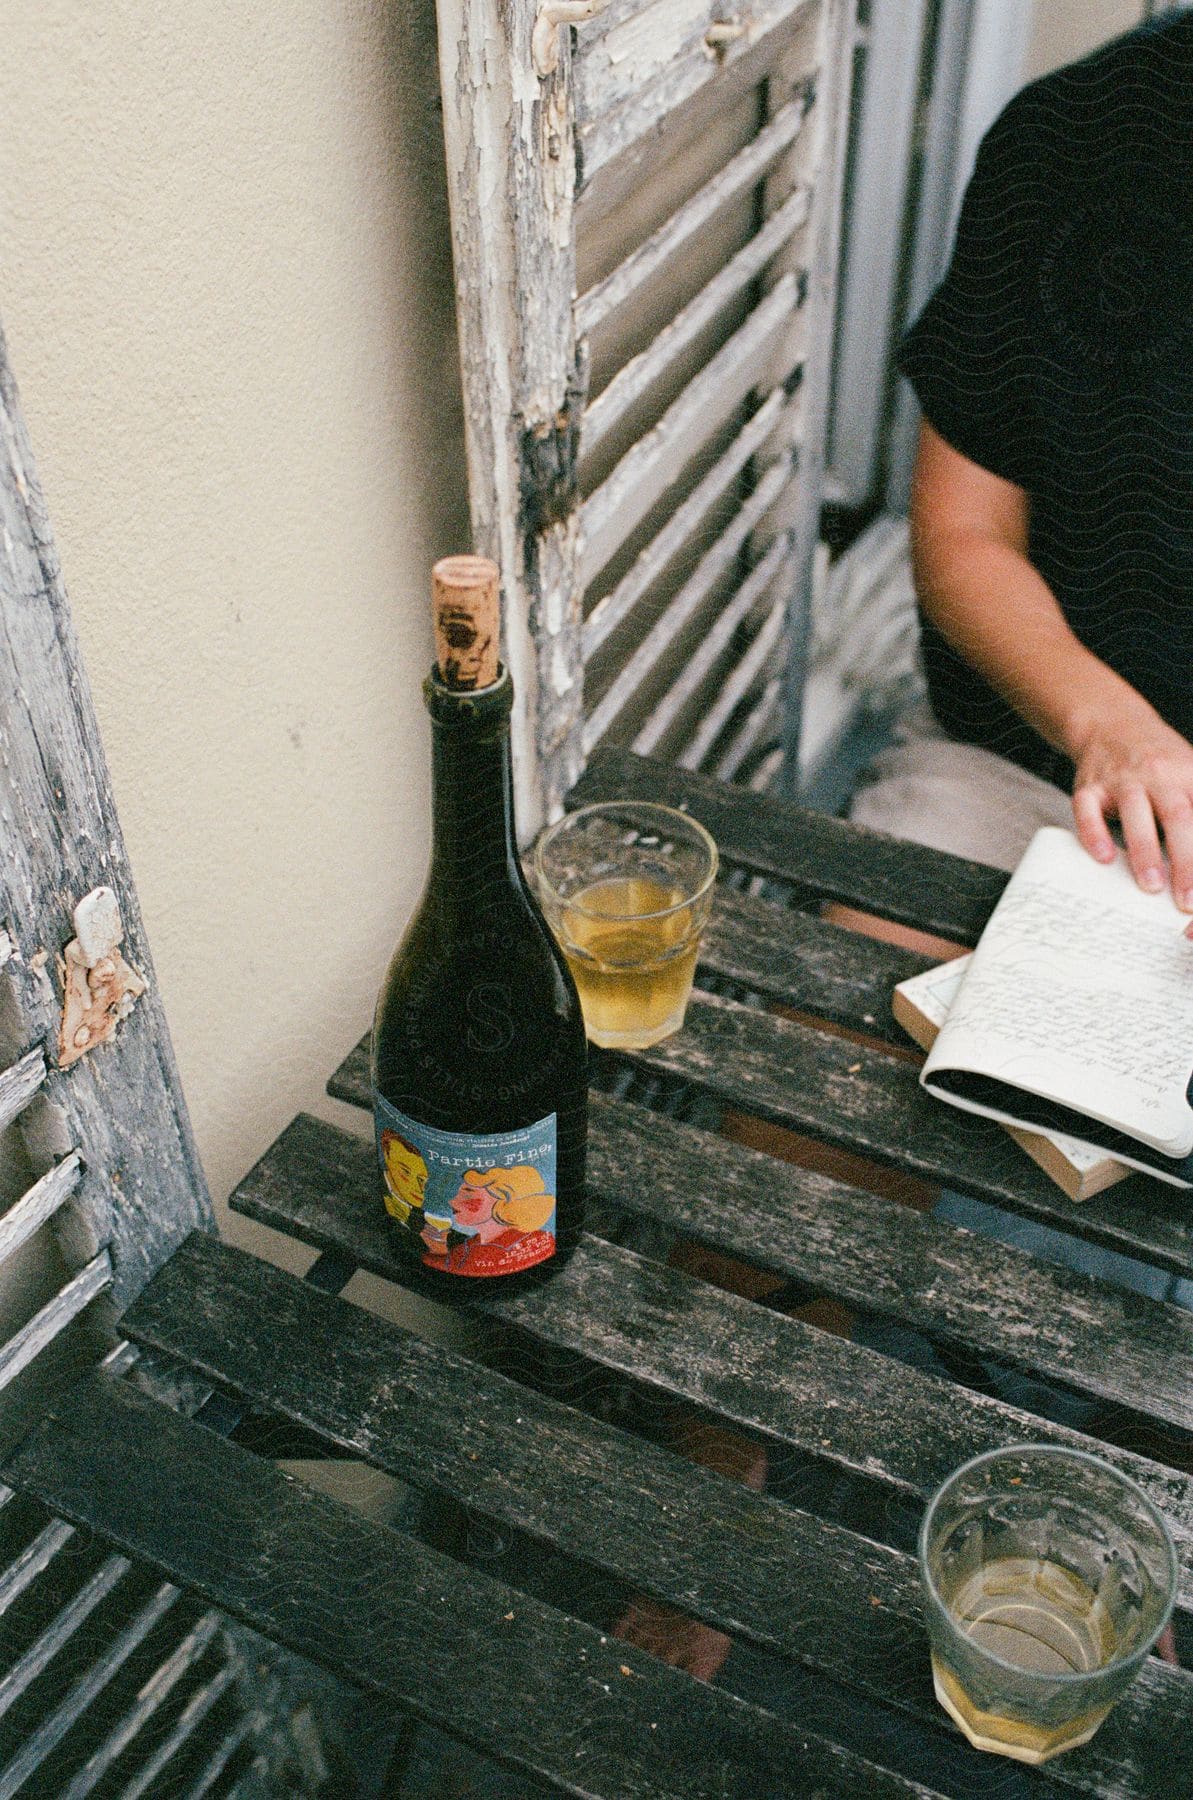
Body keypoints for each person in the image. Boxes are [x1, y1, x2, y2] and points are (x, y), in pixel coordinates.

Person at [852, 14, 1193, 921]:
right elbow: (965, 532)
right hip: (1029, 759)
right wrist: (1113, 731)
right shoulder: (1072, 134)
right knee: (849, 1002)